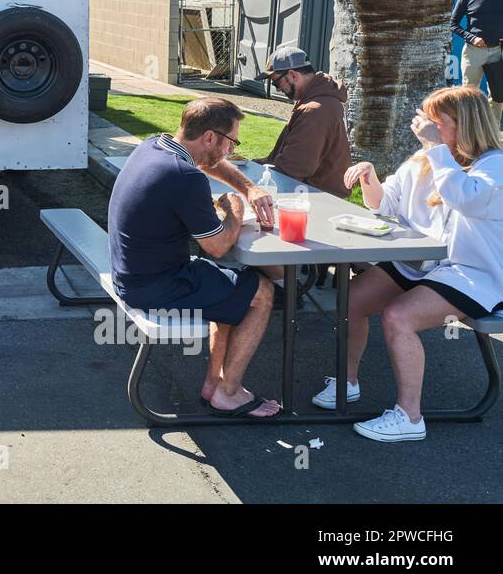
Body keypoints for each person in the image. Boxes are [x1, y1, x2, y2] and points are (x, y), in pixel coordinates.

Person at [319, 86, 503, 443]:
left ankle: (409, 416)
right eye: (427, 120)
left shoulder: (494, 165)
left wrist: (436, 151)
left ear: (464, 123)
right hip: (419, 262)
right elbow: (385, 206)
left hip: (470, 273)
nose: (427, 129)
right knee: (352, 299)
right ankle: (347, 381)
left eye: (438, 122)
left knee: (399, 316)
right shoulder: (424, 160)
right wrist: (369, 178)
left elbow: (464, 199)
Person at [108, 97, 281, 418]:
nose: (232, 150)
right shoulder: (184, 177)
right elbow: (216, 246)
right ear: (210, 137)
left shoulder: (154, 146)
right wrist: (235, 208)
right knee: (262, 292)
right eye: (232, 141)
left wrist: (249, 188)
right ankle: (229, 393)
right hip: (153, 285)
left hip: (132, 272)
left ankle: (214, 384)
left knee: (231, 284)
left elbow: (211, 162)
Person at [257, 46, 352, 199]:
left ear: (293, 75)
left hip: (316, 198)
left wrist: (252, 179)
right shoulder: (320, 101)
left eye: (276, 83)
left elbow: (294, 168)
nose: (278, 89)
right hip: (311, 192)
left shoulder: (315, 110)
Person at [451, 0, 503, 126]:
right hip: (473, 52)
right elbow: (453, 24)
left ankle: (493, 132)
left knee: (498, 95)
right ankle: (469, 129)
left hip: (497, 51)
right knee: (469, 94)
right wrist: (472, 38)